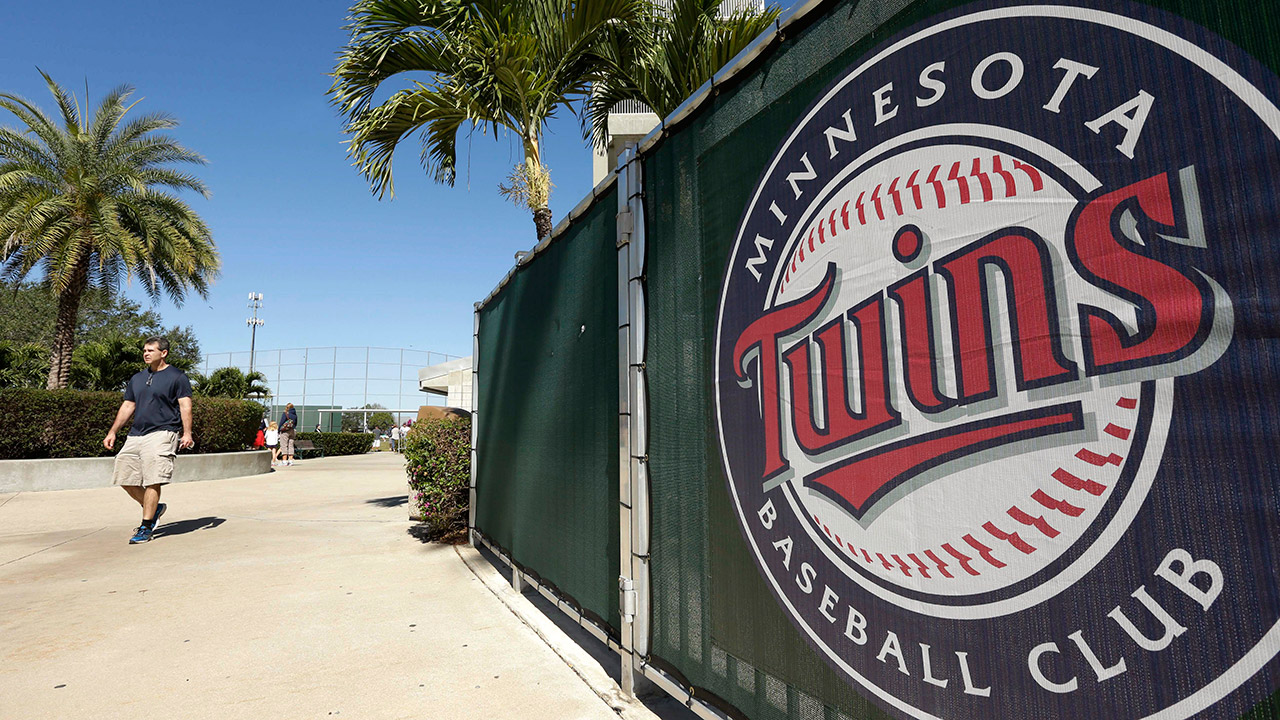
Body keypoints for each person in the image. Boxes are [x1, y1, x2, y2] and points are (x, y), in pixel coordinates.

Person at [103, 336, 194, 544]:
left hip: (163, 432)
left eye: (151, 350)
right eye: (144, 350)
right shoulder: (136, 378)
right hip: (136, 434)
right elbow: (128, 406)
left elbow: (185, 406)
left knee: (153, 479)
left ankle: (146, 525)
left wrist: (187, 433)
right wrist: (113, 431)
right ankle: (155, 508)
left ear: (163, 353)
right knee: (124, 477)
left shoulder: (177, 377)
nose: (146, 353)